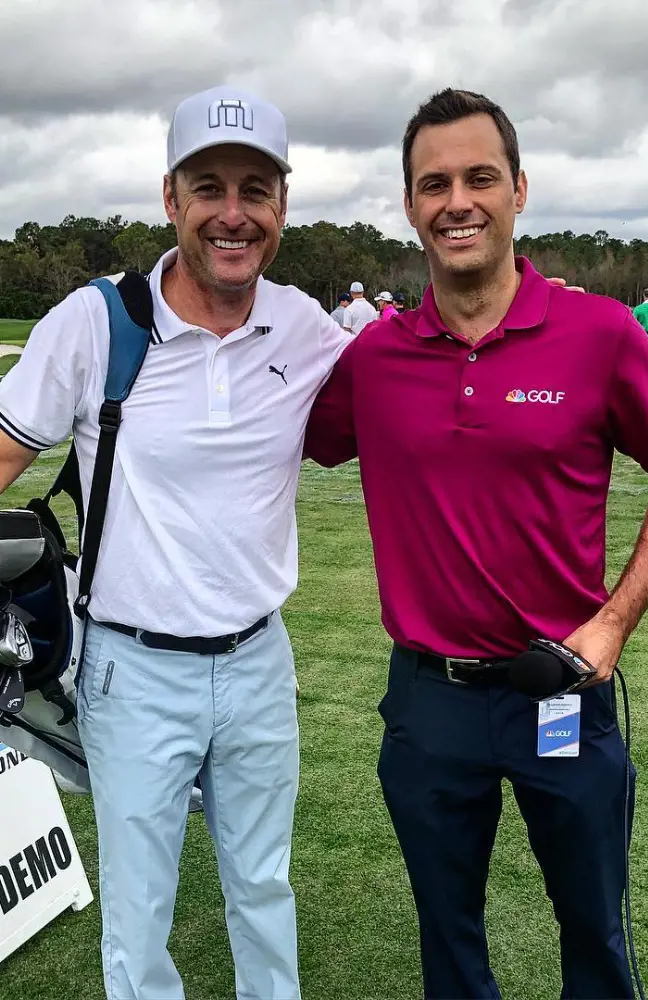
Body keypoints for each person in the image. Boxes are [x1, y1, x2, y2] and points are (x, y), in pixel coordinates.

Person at [0, 85, 350, 1000]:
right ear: (171, 199)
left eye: (254, 190)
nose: (232, 215)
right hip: (130, 666)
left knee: (264, 888)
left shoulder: (307, 327)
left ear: (281, 204)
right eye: (208, 188)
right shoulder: (95, 321)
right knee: (141, 913)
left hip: (257, 661)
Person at [305, 87, 648, 1000]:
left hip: (561, 688)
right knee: (449, 944)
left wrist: (614, 624)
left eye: (479, 178)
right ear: (412, 206)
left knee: (595, 936)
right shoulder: (375, 358)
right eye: (433, 183)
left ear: (519, 191)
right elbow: (265, 438)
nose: (457, 200)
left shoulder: (600, 333)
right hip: (430, 702)